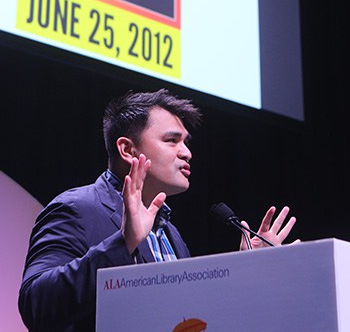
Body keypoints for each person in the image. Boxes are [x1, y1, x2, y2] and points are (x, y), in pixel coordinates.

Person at [18, 89, 297, 331]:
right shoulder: (78, 208)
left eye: (186, 142)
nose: (186, 152)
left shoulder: (170, 232)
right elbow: (36, 306)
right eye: (172, 140)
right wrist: (122, 243)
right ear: (127, 149)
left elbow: (188, 317)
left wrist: (241, 271)